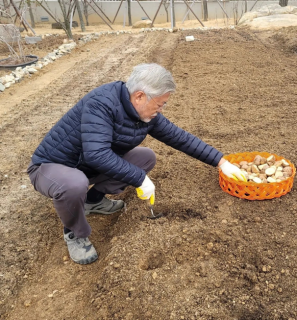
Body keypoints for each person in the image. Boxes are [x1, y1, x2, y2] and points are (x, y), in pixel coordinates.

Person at [27, 63, 247, 265]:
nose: (161, 109)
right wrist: (140, 179)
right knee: (74, 184)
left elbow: (180, 138)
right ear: (140, 96)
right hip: (52, 169)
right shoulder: (101, 104)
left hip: (86, 167)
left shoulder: (145, 115)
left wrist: (221, 161)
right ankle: (75, 233)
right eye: (160, 104)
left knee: (145, 158)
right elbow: (96, 154)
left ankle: (93, 202)